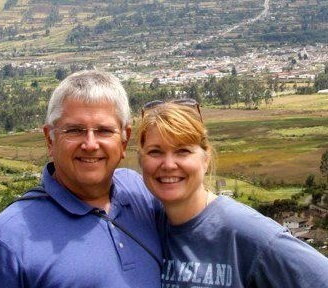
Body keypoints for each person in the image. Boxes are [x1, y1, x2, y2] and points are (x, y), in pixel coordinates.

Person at [0, 70, 162, 288]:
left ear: (124, 142)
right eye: (75, 130)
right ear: (50, 140)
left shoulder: (143, 193)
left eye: (104, 131)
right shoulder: (6, 238)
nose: (90, 144)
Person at [137, 99, 328, 288]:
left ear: (205, 158)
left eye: (182, 151)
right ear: (141, 159)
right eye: (155, 152)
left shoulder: (249, 233)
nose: (168, 165)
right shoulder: (147, 227)